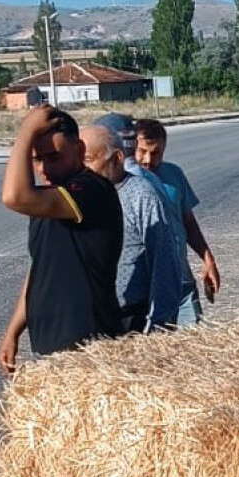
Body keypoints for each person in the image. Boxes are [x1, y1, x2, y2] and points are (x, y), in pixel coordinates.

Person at [0, 106, 124, 375]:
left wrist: (26, 132)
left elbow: (13, 197)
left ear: (79, 151)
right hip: (49, 343)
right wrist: (13, 332)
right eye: (36, 159)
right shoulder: (50, 199)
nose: (44, 168)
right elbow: (40, 268)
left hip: (88, 346)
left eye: (53, 157)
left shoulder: (91, 190)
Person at [79, 124, 184, 334]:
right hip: (93, 317)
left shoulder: (141, 196)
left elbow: (163, 262)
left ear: (117, 158)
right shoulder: (82, 194)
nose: (81, 168)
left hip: (131, 319)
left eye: (88, 160)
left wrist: (160, 323)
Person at [134, 118, 221, 325]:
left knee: (192, 344)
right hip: (145, 289)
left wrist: (208, 259)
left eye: (156, 153)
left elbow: (188, 222)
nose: (147, 159)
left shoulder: (173, 174)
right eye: (142, 151)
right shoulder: (126, 181)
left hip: (181, 283)